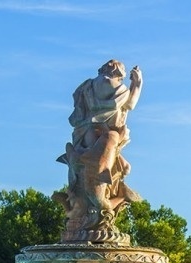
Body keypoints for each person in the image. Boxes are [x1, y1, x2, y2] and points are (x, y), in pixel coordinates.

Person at [57, 60, 143, 240]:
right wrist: (137, 84)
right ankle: (111, 201)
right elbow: (130, 104)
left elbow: (78, 112)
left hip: (85, 133)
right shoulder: (117, 86)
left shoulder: (86, 86)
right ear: (119, 72)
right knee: (112, 171)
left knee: (86, 170)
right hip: (106, 134)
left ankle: (89, 210)